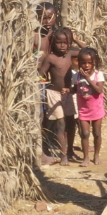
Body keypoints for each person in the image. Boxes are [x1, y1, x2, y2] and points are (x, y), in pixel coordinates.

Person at [38, 28, 77, 164]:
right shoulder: (51, 58)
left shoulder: (70, 54)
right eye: (59, 42)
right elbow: (41, 73)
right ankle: (63, 154)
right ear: (53, 43)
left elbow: (87, 51)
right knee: (60, 123)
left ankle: (71, 149)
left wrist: (76, 39)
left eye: (65, 43)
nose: (62, 45)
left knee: (71, 123)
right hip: (54, 94)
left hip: (68, 94)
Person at [71, 47, 106, 165]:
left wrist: (88, 79)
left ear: (94, 63)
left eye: (89, 63)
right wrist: (69, 90)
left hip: (96, 109)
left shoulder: (98, 75)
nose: (86, 65)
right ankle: (86, 157)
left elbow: (99, 90)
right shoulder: (76, 76)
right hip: (83, 109)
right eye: (84, 63)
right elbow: (76, 89)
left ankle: (96, 155)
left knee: (97, 133)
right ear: (79, 63)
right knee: (84, 133)